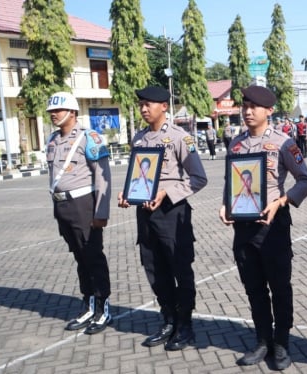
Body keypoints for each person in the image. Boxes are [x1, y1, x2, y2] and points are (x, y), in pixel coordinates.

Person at [219, 85, 307, 370]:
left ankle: (282, 343)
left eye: (254, 107)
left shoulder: (285, 143)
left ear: (269, 111)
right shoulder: (236, 145)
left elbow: (305, 181)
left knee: (280, 287)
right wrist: (226, 204)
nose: (247, 111)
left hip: (273, 227)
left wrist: (283, 201)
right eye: (244, 106)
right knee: (254, 288)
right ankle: (262, 341)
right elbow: (231, 182)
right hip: (243, 228)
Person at [118, 86, 207, 351]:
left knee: (180, 269)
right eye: (141, 105)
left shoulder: (181, 137)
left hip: (172, 213)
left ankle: (185, 324)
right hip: (145, 214)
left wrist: (168, 192)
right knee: (154, 268)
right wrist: (128, 193)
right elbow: (137, 176)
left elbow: (199, 178)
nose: (144, 109)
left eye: (148, 104)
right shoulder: (139, 139)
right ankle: (168, 319)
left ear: (164, 107)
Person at [45, 91, 112, 335]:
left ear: (72, 112)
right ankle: (88, 304)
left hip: (84, 205)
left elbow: (102, 176)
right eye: (51, 111)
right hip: (62, 207)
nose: (53, 115)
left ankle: (103, 307)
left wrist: (101, 212)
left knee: (93, 256)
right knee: (80, 258)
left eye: (58, 111)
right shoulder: (52, 140)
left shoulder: (89, 138)